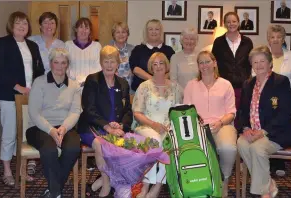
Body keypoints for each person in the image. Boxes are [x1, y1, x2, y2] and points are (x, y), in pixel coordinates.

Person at [0, 11, 45, 186]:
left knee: (25, 134)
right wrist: (19, 88)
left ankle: (21, 170)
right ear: (11, 26)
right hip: (9, 95)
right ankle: (7, 170)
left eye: (24, 23)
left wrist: (36, 89)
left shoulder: (32, 45)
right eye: (18, 24)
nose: (22, 26)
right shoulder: (2, 43)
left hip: (30, 97)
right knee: (10, 132)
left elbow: (40, 71)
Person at [237, 45, 291, 198]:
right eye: (255, 62)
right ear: (252, 65)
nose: (259, 65)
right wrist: (245, 128)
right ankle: (268, 183)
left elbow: (284, 112)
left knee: (257, 148)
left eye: (262, 61)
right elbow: (242, 111)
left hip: (275, 133)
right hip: (252, 132)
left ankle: (263, 193)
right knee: (242, 144)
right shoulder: (248, 84)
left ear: (270, 63)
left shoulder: (281, 82)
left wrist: (263, 131)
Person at [78, 45, 132, 197]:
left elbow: (127, 110)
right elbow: (89, 109)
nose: (109, 65)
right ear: (101, 63)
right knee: (101, 145)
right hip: (91, 126)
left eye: (112, 61)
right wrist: (107, 127)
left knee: (127, 146)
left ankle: (97, 183)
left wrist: (121, 125)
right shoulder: (92, 80)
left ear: (118, 63)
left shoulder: (123, 84)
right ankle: (106, 186)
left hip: (115, 128)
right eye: (106, 61)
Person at [26, 48, 81, 198]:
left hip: (65, 127)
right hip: (38, 127)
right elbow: (34, 113)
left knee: (74, 148)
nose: (59, 66)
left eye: (63, 62)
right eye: (56, 62)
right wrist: (51, 130)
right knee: (49, 150)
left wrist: (63, 128)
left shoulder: (74, 86)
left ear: (67, 64)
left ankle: (53, 191)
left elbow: (75, 111)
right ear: (50, 63)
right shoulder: (39, 82)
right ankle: (56, 192)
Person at [183, 51, 237, 198]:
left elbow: (231, 112)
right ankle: (201, 183)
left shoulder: (226, 85)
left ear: (215, 63)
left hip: (222, 125)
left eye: (207, 61)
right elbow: (186, 112)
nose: (204, 65)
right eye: (201, 62)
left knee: (228, 147)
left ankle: (224, 180)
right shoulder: (191, 85)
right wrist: (196, 122)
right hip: (198, 128)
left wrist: (220, 122)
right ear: (198, 66)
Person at [132, 52, 183, 198]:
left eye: (161, 63)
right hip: (146, 126)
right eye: (155, 64)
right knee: (157, 141)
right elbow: (137, 113)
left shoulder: (176, 87)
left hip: (169, 128)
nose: (158, 66)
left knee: (170, 142)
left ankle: (157, 184)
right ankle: (147, 184)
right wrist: (154, 124)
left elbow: (181, 108)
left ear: (166, 66)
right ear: (151, 68)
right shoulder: (144, 86)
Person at [27, 11, 65, 177]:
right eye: (46, 22)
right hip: (36, 87)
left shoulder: (61, 43)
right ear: (40, 25)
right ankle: (32, 161)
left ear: (56, 26)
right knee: (34, 119)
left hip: (55, 88)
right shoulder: (32, 42)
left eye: (52, 23)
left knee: (51, 118)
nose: (49, 26)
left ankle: (53, 154)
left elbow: (64, 66)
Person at [266, 24, 291, 176]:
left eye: (279, 37)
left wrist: (279, 86)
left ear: (283, 39)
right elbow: (255, 75)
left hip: (285, 99)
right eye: (272, 37)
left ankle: (279, 163)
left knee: (281, 125)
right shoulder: (263, 55)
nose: (275, 40)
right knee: (266, 125)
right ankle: (267, 162)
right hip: (265, 100)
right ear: (268, 39)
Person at [212, 12, 253, 113]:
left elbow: (251, 62)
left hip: (243, 87)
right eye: (228, 22)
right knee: (225, 114)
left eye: (234, 21)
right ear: (225, 24)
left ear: (238, 23)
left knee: (241, 114)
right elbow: (214, 63)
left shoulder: (247, 42)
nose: (231, 24)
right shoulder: (218, 42)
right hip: (223, 86)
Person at [129, 19, 175, 92]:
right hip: (141, 91)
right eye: (150, 29)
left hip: (164, 90)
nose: (154, 32)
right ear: (146, 32)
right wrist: (152, 79)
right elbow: (135, 68)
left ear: (161, 32)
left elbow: (172, 69)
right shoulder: (137, 50)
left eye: (157, 29)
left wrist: (161, 80)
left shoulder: (169, 50)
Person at [65, 17, 102, 87]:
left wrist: (88, 81)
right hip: (72, 84)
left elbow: (99, 67)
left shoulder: (97, 46)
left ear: (90, 31)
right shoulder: (68, 45)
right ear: (76, 29)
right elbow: (65, 66)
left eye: (87, 28)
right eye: (81, 27)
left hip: (91, 85)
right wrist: (75, 81)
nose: (83, 30)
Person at [110, 22, 135, 92]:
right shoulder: (107, 50)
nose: (121, 35)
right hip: (112, 90)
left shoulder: (134, 50)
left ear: (127, 34)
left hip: (130, 91)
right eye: (118, 32)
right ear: (113, 34)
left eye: (123, 32)